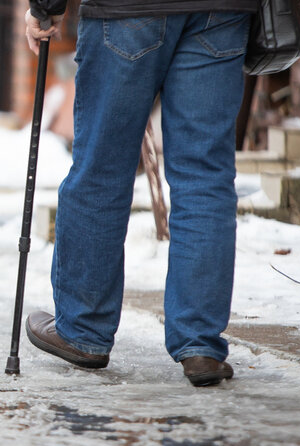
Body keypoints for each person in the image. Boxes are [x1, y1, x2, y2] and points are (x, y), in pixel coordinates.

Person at [23, 0, 257, 386]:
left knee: (102, 167)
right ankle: (200, 345)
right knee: (205, 177)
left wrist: (45, 7)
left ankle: (83, 331)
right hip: (222, 12)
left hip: (126, 12)